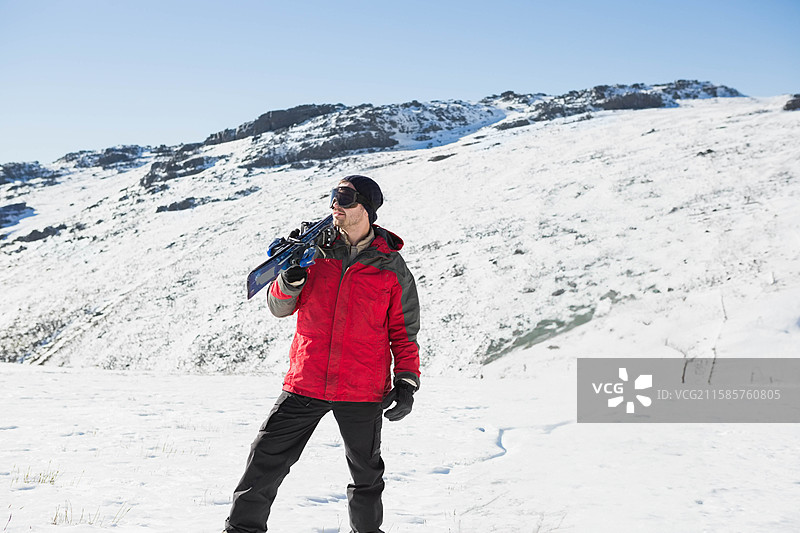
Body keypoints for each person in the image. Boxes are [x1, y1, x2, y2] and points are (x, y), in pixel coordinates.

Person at [224, 175, 421, 533]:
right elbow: (278, 307)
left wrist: (406, 383)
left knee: (366, 476)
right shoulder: (313, 253)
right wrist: (289, 281)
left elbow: (404, 332)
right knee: (263, 462)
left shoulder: (391, 267)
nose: (336, 207)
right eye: (334, 199)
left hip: (361, 388)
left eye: (345, 200)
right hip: (306, 381)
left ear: (366, 209)